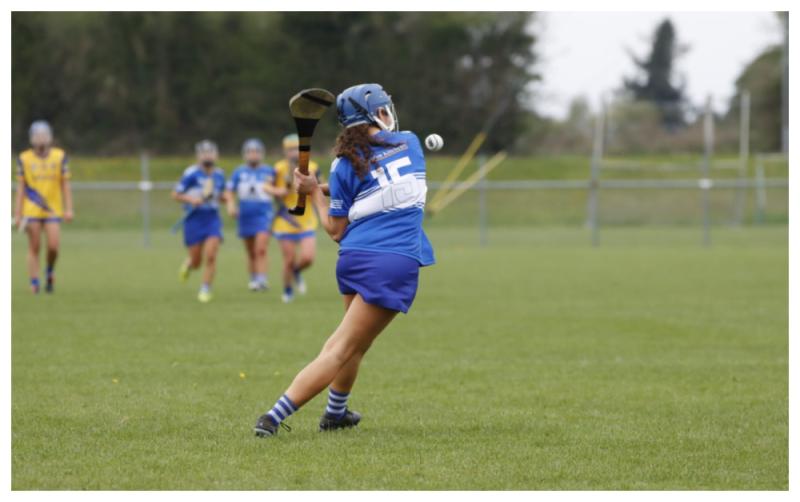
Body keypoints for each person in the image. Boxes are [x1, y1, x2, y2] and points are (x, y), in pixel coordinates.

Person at [253, 83, 435, 437]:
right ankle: (273, 417)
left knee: (352, 344)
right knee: (340, 349)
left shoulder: (342, 165)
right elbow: (363, 200)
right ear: (377, 115)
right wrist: (317, 193)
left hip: (353, 260)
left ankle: (336, 413)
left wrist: (313, 190)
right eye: (385, 108)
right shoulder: (411, 143)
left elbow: (339, 223)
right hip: (391, 262)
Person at [14, 120, 74, 294]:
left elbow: (65, 185)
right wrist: (17, 213)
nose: (41, 139)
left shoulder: (59, 157)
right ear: (32, 138)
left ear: (50, 137)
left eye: (44, 135)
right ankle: (34, 282)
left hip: (53, 209)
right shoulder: (24, 158)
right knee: (34, 246)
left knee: (54, 246)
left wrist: (69, 208)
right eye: (37, 136)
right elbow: (21, 188)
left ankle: (49, 270)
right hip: (31, 210)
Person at [226, 139, 286, 291]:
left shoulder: (269, 171)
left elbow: (279, 190)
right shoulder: (239, 172)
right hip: (245, 215)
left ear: (261, 154)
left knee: (261, 248)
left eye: (256, 152)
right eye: (250, 152)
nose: (253, 155)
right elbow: (229, 191)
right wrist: (231, 206)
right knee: (251, 250)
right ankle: (254, 279)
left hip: (263, 214)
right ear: (245, 154)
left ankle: (262, 279)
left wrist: (280, 191)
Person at [172, 140, 228, 303]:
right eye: (204, 153)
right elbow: (175, 194)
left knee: (211, 255)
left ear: (216, 155)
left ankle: (205, 288)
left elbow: (221, 195)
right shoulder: (191, 173)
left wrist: (227, 200)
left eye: (210, 152)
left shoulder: (219, 174)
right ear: (198, 156)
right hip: (193, 219)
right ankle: (188, 265)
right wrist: (191, 199)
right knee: (197, 261)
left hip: (212, 218)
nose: (207, 155)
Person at [272, 134, 320, 303]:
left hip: (306, 219)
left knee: (308, 257)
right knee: (289, 259)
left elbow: (320, 188)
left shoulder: (312, 167)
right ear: (285, 151)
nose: (294, 153)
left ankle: (297, 271)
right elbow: (266, 187)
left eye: (297, 149)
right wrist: (279, 192)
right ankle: (287, 290)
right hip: (285, 220)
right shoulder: (278, 169)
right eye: (290, 149)